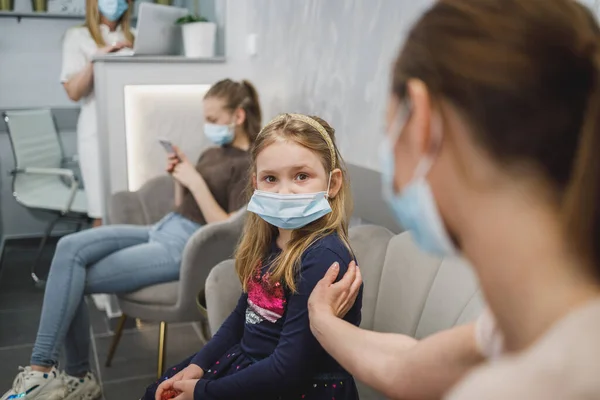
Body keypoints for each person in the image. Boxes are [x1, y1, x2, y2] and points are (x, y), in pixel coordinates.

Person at [308, 0, 600, 399]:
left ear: (424, 122)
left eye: (388, 129)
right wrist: (321, 319)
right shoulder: (537, 320)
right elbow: (407, 366)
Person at [1, 78, 262, 400]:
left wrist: (195, 182)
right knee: (69, 246)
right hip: (164, 227)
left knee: (71, 277)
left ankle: (57, 373)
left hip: (184, 247)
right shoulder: (212, 152)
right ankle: (60, 375)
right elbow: (184, 206)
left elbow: (228, 228)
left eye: (213, 119)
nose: (207, 126)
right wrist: (179, 177)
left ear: (237, 116)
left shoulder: (247, 163)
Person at [145, 114, 364, 400]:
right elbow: (242, 317)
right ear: (255, 183)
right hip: (252, 367)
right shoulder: (273, 238)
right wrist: (199, 363)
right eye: (270, 178)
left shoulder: (322, 258)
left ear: (332, 184)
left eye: (301, 176)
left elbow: (288, 371)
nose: (284, 191)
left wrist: (202, 392)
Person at [61, 0, 135, 226]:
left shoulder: (134, 36)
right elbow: (73, 92)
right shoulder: (78, 37)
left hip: (129, 129)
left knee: (131, 207)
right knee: (101, 210)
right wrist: (97, 59)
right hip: (96, 131)